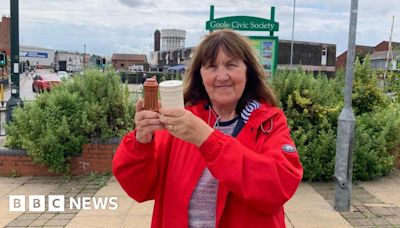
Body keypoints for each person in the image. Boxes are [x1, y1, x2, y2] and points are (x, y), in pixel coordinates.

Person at [113, 29, 303, 228]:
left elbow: (278, 188)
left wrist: (206, 138)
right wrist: (141, 143)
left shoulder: (269, 122)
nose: (222, 76)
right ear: (200, 75)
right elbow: (140, 189)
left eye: (231, 65)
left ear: (248, 71)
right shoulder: (181, 119)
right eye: (211, 66)